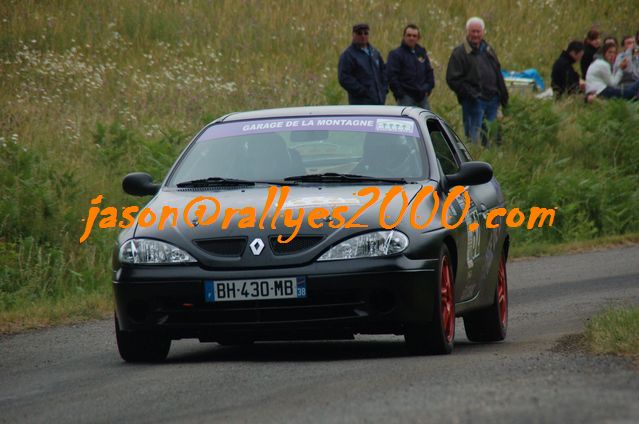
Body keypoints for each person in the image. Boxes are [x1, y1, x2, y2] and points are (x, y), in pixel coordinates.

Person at [446, 16, 508, 146]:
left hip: (493, 100)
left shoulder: (488, 50)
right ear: (467, 32)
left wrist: (503, 95)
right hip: (473, 102)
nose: (475, 34)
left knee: (492, 137)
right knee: (473, 139)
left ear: (483, 32)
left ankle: (491, 162)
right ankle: (474, 163)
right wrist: (471, 94)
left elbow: (498, 72)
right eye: (473, 31)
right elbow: (452, 79)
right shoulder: (460, 52)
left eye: (478, 31)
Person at [386, 24, 435, 109]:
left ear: (418, 38)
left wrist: (428, 88)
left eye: (414, 36)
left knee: (426, 121)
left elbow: (429, 71)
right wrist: (399, 93)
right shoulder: (396, 54)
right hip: (406, 97)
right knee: (406, 121)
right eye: (408, 35)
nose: (411, 38)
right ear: (404, 36)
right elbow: (391, 76)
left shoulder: (421, 53)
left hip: (422, 97)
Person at [338, 23, 388, 105]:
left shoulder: (374, 52)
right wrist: (362, 91)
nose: (363, 36)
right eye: (359, 33)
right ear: (353, 35)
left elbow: (383, 71)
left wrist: (384, 89)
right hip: (360, 104)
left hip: (379, 101)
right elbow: (344, 77)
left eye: (366, 33)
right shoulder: (348, 55)